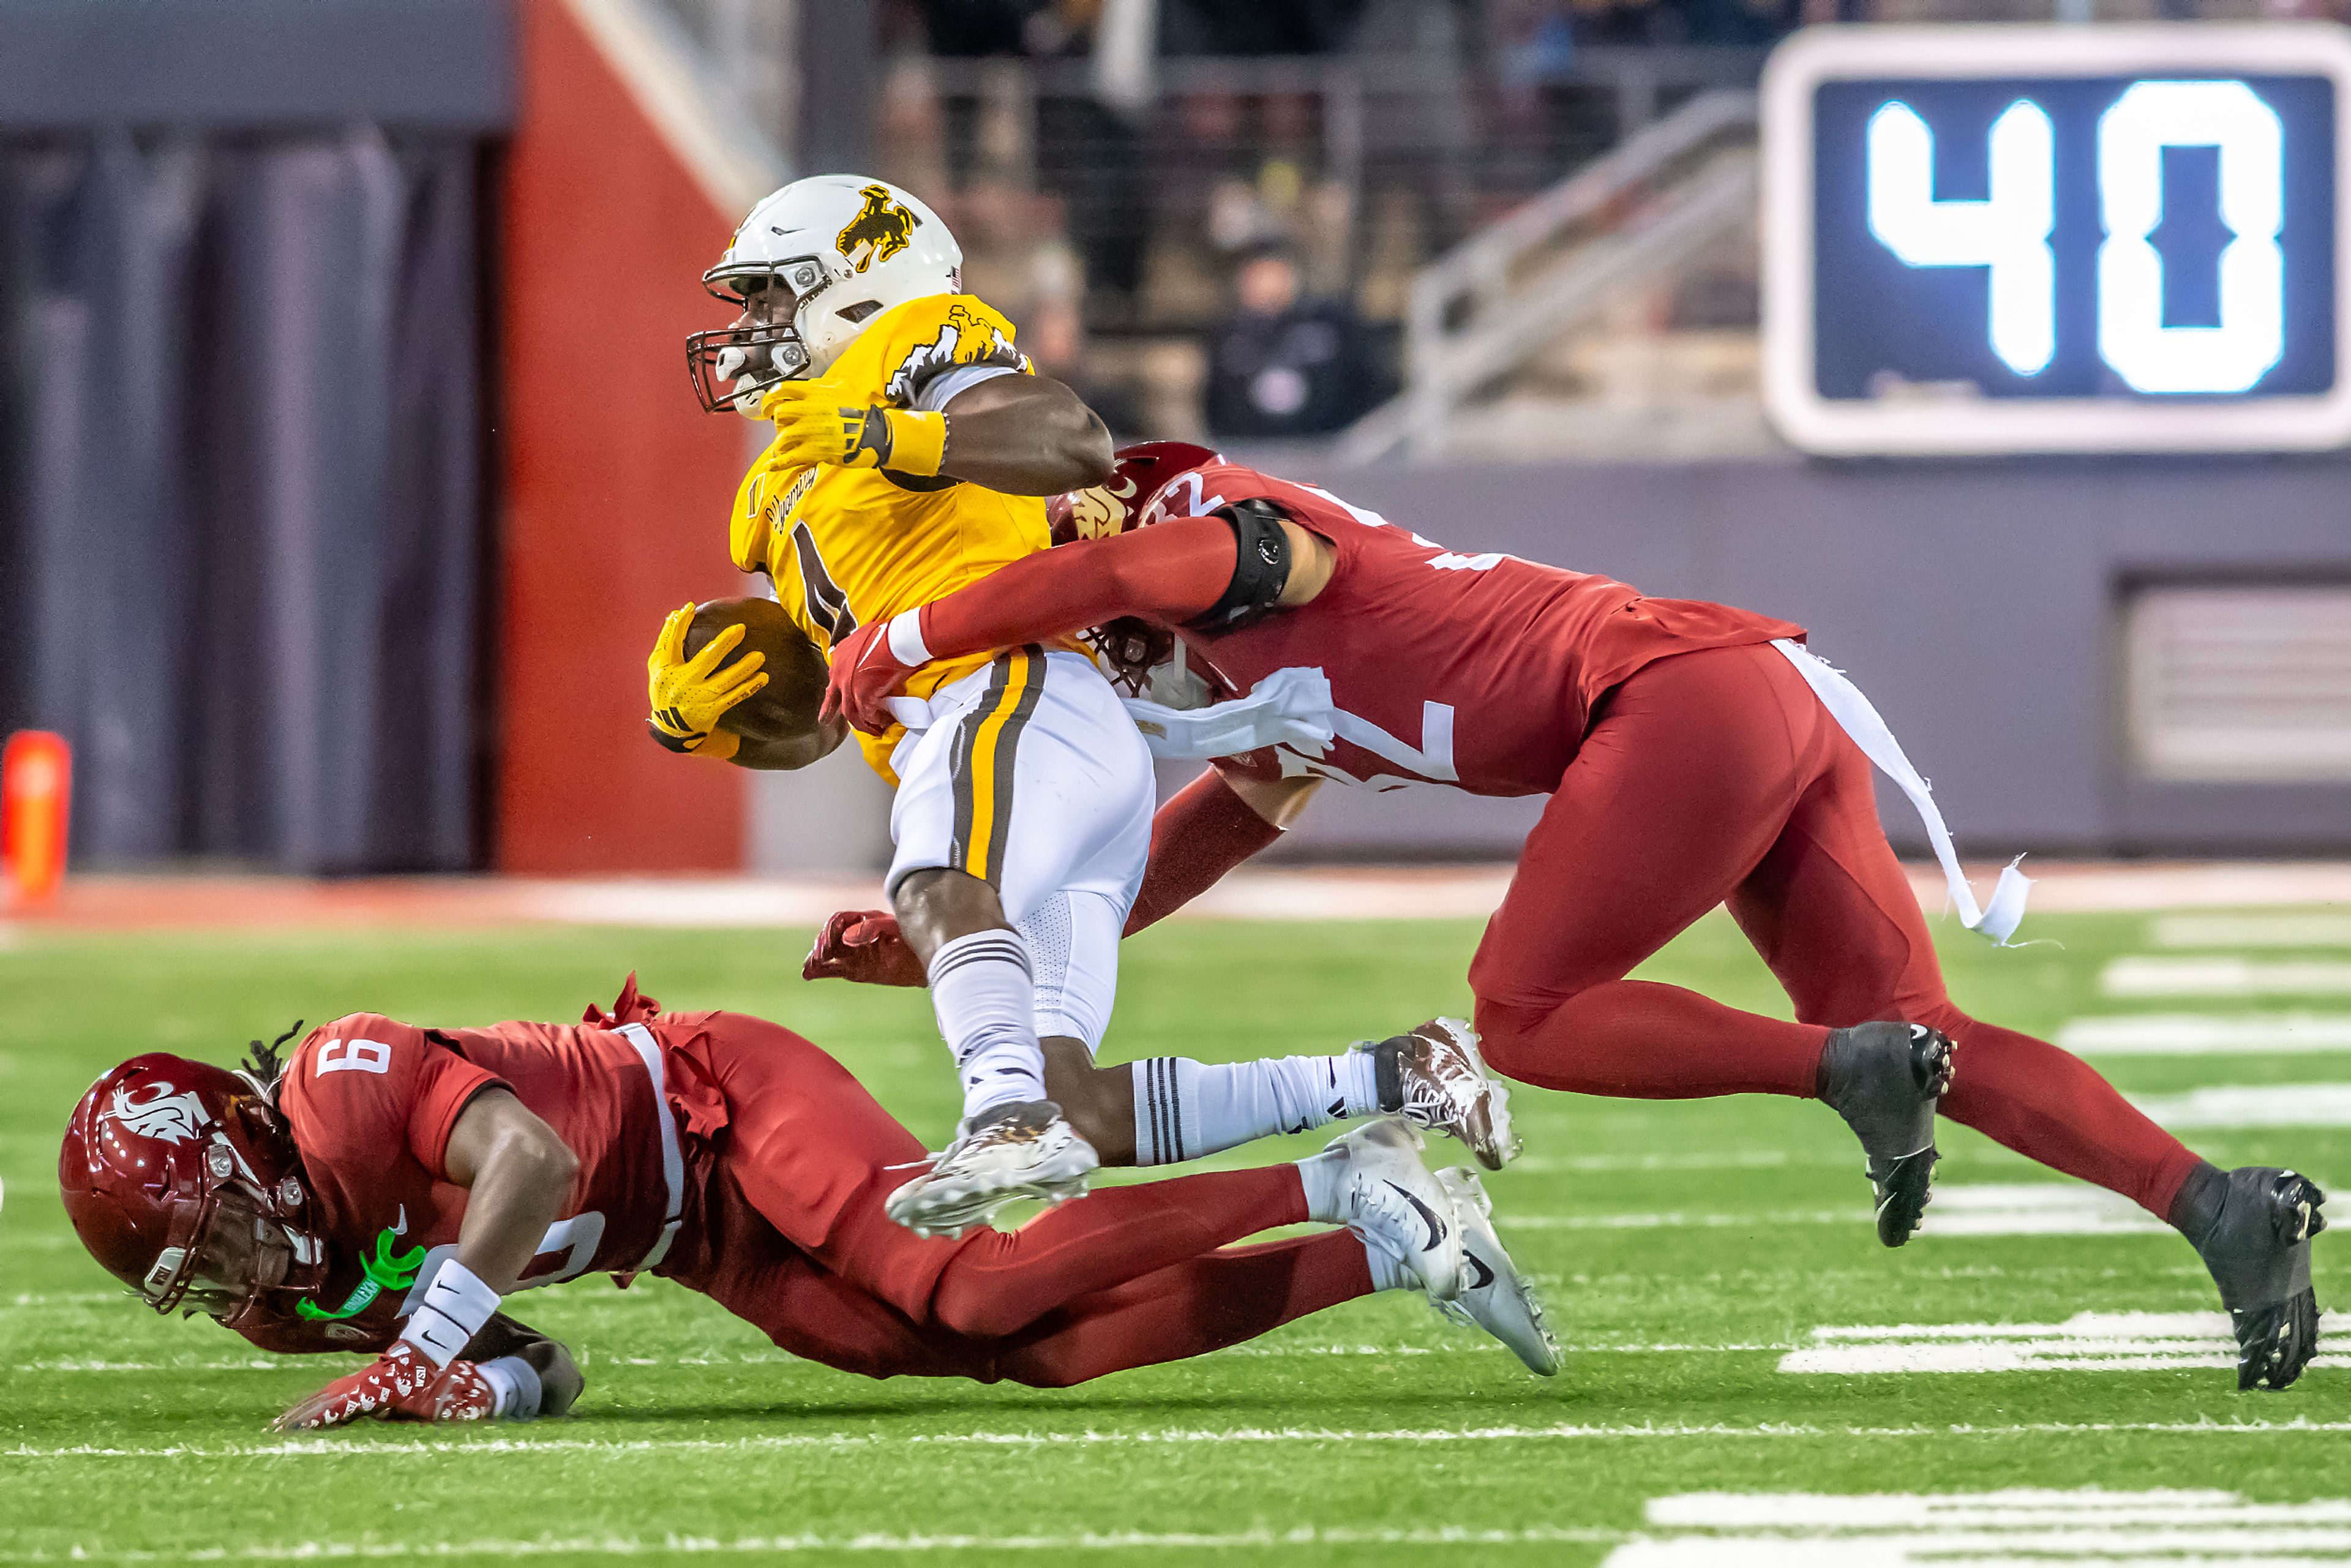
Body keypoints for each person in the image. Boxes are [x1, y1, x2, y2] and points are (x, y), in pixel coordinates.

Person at [810, 441, 2330, 1392]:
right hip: (1746, 690)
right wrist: (971, 929)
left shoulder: (1225, 537)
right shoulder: (1244, 679)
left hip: (1668, 698)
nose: (1099, 643)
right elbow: (1198, 840)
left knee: (1525, 1008)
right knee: (1916, 1026)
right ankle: (2219, 1207)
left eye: (1082, 607)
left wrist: (915, 629)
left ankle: (1838, 1073)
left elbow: (1146, 562)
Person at [662, 174, 1507, 1242]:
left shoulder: (914, 341)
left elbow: (1070, 441)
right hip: (1003, 743)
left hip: (1007, 693)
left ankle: (1002, 1116)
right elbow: (833, 706)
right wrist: (728, 713)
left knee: (938, 882)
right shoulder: (772, 483)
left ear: (859, 288)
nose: (751, 326)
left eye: (775, 295)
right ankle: (1398, 1073)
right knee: (1083, 1104)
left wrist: (893, 435)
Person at [55, 978, 1562, 1433]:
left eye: (224, 1218)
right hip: (692, 1236)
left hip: (712, 1100)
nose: (238, 1264)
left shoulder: (342, 1074)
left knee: (968, 1282)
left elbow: (532, 1165)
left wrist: (418, 1342)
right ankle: (1383, 1242)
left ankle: (1335, 1165)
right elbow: (550, 1365)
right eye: (200, 1260)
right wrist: (470, 1388)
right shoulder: (281, 1300)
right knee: (1018, 1350)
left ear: (243, 1130)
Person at [1203, 242, 1390, 440]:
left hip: (1327, 448)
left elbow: (1368, 382)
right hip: (1256, 451)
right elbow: (1216, 402)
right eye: (1257, 278)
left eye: (1274, 275)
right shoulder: (1230, 335)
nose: (1267, 285)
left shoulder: (1330, 323)